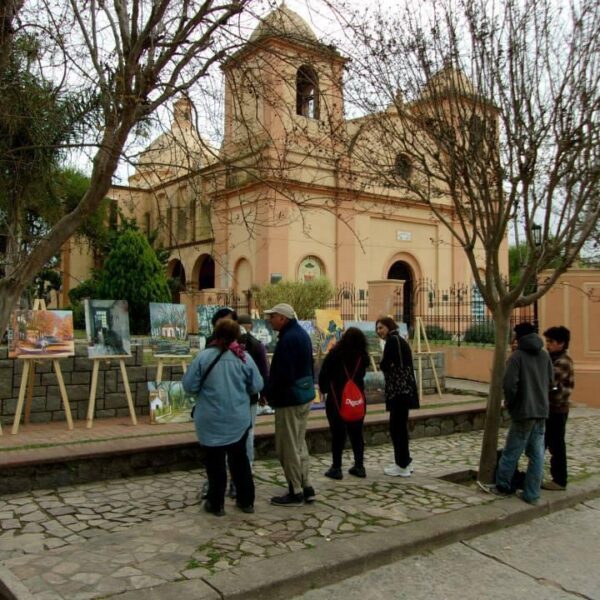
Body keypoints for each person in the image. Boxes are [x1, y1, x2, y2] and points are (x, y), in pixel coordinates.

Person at [182, 319, 263, 516]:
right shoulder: (243, 358)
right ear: (236, 335)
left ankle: (216, 503)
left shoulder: (203, 357)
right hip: (238, 418)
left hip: (210, 419)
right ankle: (246, 501)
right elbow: (257, 385)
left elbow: (189, 386)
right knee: (240, 460)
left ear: (215, 334)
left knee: (214, 462)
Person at [483, 322, 554, 505]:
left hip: (523, 411)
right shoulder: (545, 356)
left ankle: (503, 486)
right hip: (541, 410)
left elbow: (509, 384)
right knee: (537, 454)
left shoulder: (517, 357)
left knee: (512, 451)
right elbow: (550, 382)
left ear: (519, 337)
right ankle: (532, 493)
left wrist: (511, 402)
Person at [263, 303, 316, 507]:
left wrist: (268, 392)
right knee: (299, 442)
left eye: (272, 317)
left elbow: (282, 374)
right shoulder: (301, 334)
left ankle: (296, 490)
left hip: (290, 399)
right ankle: (306, 485)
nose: (269, 320)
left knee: (288, 446)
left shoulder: (288, 339)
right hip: (303, 394)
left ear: (282, 318)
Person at [318, 327, 369, 479]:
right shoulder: (363, 356)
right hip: (357, 400)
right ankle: (359, 466)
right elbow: (362, 374)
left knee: (337, 434)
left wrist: (324, 389)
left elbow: (324, 374)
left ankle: (336, 467)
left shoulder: (335, 354)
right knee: (357, 433)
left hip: (337, 399)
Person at [376, 316, 418, 477]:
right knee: (401, 426)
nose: (379, 331)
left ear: (389, 327)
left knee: (397, 427)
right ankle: (405, 461)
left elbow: (385, 365)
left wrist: (385, 362)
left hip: (398, 392)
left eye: (381, 328)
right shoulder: (400, 340)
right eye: (377, 329)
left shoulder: (392, 342)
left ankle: (401, 465)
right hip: (406, 390)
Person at [542, 326, 574, 491]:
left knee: (556, 445)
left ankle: (559, 480)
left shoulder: (563, 362)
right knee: (545, 443)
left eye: (551, 342)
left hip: (557, 409)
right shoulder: (552, 358)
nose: (547, 345)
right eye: (547, 341)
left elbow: (549, 381)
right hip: (551, 408)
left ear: (561, 344)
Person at [238, 314, 274, 417]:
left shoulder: (229, 344)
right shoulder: (258, 345)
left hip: (234, 392)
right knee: (249, 427)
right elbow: (264, 371)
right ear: (251, 326)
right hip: (252, 390)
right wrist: (264, 394)